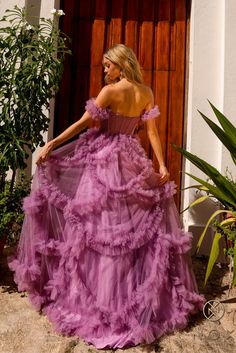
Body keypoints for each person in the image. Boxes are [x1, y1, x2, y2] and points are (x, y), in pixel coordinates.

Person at [8, 44, 205, 349]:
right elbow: (152, 133)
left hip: (105, 162)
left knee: (97, 230)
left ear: (121, 65)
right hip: (132, 160)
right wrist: (162, 165)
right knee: (128, 236)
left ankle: (100, 304)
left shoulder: (110, 92)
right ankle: (128, 302)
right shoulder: (146, 92)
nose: (105, 71)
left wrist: (52, 144)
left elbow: (83, 124)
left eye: (108, 66)